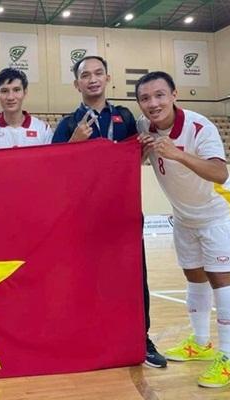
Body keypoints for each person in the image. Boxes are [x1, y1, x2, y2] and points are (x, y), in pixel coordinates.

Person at [52, 56, 167, 368]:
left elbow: (131, 159)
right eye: (85, 75)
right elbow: (54, 170)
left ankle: (141, 338)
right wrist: (73, 142)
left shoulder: (125, 117)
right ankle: (86, 339)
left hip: (122, 213)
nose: (92, 79)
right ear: (76, 83)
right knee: (84, 279)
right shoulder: (67, 124)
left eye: (98, 73)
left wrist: (142, 150)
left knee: (134, 277)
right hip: (83, 218)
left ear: (107, 78)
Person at [137, 71, 230, 387]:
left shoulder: (200, 126)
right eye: (145, 98)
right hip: (184, 216)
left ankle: (229, 359)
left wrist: (177, 153)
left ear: (174, 95)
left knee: (221, 281)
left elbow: (220, 173)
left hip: (217, 213)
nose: (153, 103)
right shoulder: (144, 127)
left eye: (159, 95)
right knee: (194, 276)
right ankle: (201, 342)